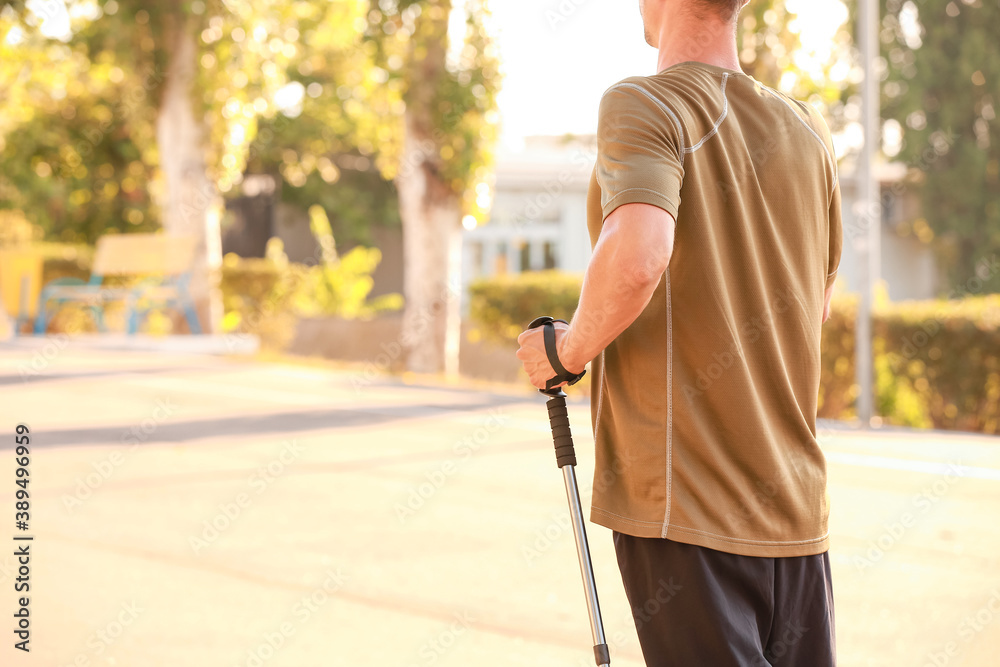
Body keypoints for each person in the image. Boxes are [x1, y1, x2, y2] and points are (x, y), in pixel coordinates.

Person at [515, 1, 843, 664]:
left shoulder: (647, 104)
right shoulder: (807, 133)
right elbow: (818, 305)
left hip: (688, 506)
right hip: (797, 516)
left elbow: (638, 256)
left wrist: (566, 350)